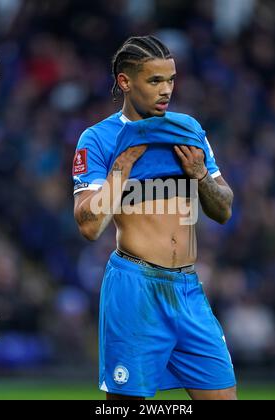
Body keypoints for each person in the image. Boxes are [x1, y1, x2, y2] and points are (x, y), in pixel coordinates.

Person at [73, 35, 237, 400]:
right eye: (155, 81)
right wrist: (120, 171)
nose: (167, 90)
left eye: (171, 79)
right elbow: (88, 225)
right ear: (125, 82)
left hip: (189, 290)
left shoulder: (188, 130)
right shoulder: (98, 139)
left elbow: (224, 209)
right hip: (135, 290)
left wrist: (199, 177)